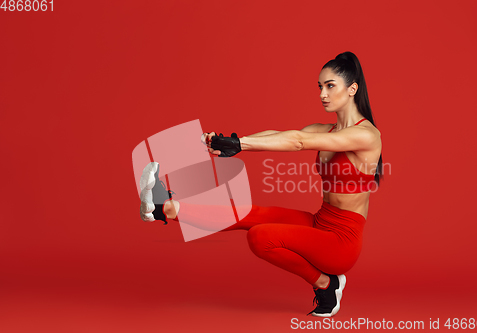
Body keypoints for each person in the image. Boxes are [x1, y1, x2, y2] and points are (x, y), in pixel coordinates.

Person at [139, 51, 383, 317]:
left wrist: (241, 144)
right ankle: (166, 209)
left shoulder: (366, 135)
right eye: (319, 87)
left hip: (342, 243)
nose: (322, 94)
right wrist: (232, 142)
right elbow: (281, 136)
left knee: (260, 236)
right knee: (251, 213)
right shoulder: (325, 130)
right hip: (320, 222)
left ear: (352, 89)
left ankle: (326, 283)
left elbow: (298, 142)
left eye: (330, 86)